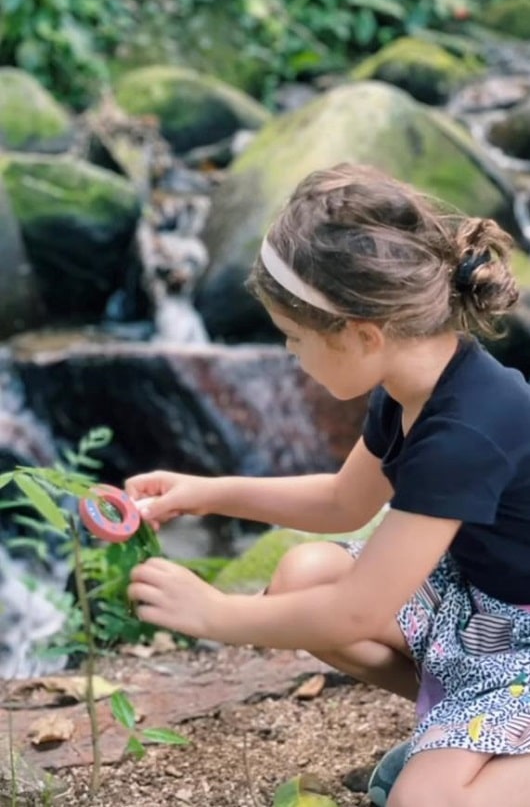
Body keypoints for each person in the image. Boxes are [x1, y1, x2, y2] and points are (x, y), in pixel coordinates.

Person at [127, 162, 530, 807]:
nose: (289, 354)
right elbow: (345, 502)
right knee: (300, 578)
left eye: (293, 338)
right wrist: (208, 492)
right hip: (486, 606)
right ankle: (464, 728)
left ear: (362, 334)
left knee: (420, 801)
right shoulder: (408, 380)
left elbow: (360, 612)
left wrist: (217, 614)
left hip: (521, 637)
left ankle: (481, 748)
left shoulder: (469, 429)